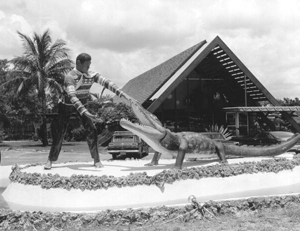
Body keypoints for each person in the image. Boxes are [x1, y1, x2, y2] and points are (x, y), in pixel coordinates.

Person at [44, 53, 133, 170]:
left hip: (83, 104)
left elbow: (107, 82)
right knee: (59, 132)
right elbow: (72, 96)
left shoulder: (91, 75)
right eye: (87, 65)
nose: (89, 67)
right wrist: (84, 111)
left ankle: (96, 160)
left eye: (90, 65)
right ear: (78, 63)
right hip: (66, 105)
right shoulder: (69, 77)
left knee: (92, 130)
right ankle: (50, 160)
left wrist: (123, 94)